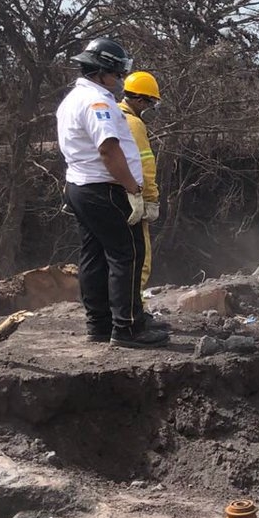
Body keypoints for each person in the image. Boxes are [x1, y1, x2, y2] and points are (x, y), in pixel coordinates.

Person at [57, 38, 168, 349]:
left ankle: (99, 325)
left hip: (80, 186)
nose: (120, 81)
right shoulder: (99, 102)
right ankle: (129, 328)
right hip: (105, 188)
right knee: (128, 254)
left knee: (93, 256)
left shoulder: (72, 100)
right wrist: (133, 189)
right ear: (103, 72)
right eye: (118, 75)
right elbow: (108, 148)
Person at [118, 71, 162, 290]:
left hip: (107, 195)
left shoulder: (110, 114)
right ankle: (136, 312)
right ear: (139, 99)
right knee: (139, 259)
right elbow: (145, 163)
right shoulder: (134, 123)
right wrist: (151, 198)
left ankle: (115, 312)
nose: (150, 108)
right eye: (149, 103)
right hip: (131, 197)